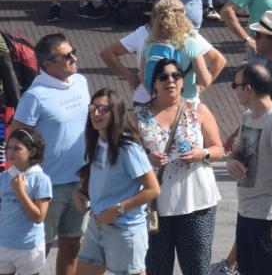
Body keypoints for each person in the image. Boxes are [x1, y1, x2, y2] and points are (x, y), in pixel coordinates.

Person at [134, 58, 222, 275]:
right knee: (157, 268)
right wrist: (146, 157)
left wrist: (202, 153)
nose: (170, 81)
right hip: (156, 207)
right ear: (154, 83)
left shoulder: (198, 110)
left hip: (197, 203)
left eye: (176, 76)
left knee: (197, 269)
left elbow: (218, 148)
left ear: (183, 81)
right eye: (164, 76)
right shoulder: (138, 116)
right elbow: (128, 157)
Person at [15, 35, 89, 275]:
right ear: (47, 64)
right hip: (47, 188)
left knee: (72, 247)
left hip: (81, 182)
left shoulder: (80, 81)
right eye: (66, 56)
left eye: (73, 52)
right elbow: (15, 139)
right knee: (37, 252)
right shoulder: (35, 96)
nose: (74, 58)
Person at [72, 90, 158, 275]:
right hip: (97, 225)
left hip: (124, 229)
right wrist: (82, 193)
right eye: (93, 108)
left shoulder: (128, 148)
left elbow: (152, 189)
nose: (96, 113)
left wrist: (117, 210)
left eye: (103, 109)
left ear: (116, 113)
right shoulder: (97, 142)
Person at [228, 63, 272, 275]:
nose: (234, 90)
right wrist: (232, 161)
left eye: (234, 85)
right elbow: (238, 151)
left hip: (268, 217)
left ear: (248, 88)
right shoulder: (248, 116)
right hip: (245, 212)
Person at [0, 125, 53, 275]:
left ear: (32, 151)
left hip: (28, 247)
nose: (10, 152)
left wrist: (19, 191)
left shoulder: (41, 179)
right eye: (8, 147)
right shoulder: (4, 177)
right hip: (3, 244)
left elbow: (38, 217)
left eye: (17, 148)